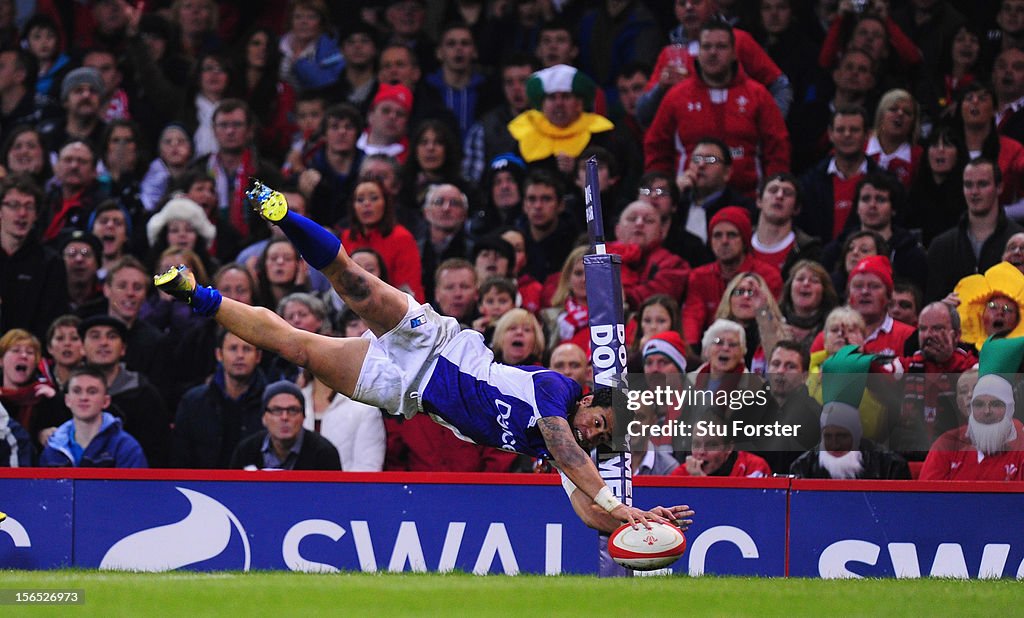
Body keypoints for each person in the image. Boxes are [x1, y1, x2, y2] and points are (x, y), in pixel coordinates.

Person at [156, 182, 694, 532]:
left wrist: (637, 523)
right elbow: (569, 452)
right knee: (353, 283)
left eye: (600, 438)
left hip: (405, 392)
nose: (593, 435)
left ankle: (196, 295)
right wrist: (616, 502)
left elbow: (584, 506)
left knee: (298, 347)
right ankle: (284, 215)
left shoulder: (564, 449)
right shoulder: (557, 394)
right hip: (436, 347)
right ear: (590, 401)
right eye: (598, 424)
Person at [644, 21, 790, 197]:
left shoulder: (758, 96)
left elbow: (778, 150)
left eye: (721, 47)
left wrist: (771, 192)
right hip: (689, 200)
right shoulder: (676, 97)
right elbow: (656, 149)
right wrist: (666, 192)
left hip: (748, 200)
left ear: (734, 53)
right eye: (706, 46)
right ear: (697, 53)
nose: (713, 53)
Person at [920, 341, 1024, 480]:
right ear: (958, 402)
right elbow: (926, 496)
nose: (970, 396)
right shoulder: (947, 443)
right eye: (964, 391)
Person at [927, 157, 1024, 301]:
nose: (974, 192)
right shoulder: (941, 246)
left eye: (982, 184)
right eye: (968, 185)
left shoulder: (1019, 241)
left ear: (999, 187)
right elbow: (930, 302)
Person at [172, 329, 267, 469]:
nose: (240, 355)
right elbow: (179, 459)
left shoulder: (271, 404)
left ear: (258, 356)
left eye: (246, 349)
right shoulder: (192, 402)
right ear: (219, 354)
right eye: (233, 349)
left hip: (255, 488)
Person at [0, 174, 69, 341]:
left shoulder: (50, 263)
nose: (22, 213)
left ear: (36, 215)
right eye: (14, 206)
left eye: (29, 207)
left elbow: (51, 323)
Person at [38, 366, 147, 468]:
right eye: (77, 391)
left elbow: (137, 488)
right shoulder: (53, 448)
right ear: (67, 400)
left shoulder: (125, 447)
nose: (84, 397)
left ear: (106, 401)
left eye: (92, 392)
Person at [789, 390, 911, 479]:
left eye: (842, 436)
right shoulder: (803, 468)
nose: (835, 445)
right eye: (828, 437)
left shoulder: (891, 467)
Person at [230, 380, 342, 471]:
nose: (284, 417)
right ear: (264, 417)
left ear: (303, 417)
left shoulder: (324, 454)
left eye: (292, 410)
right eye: (277, 410)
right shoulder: (246, 451)